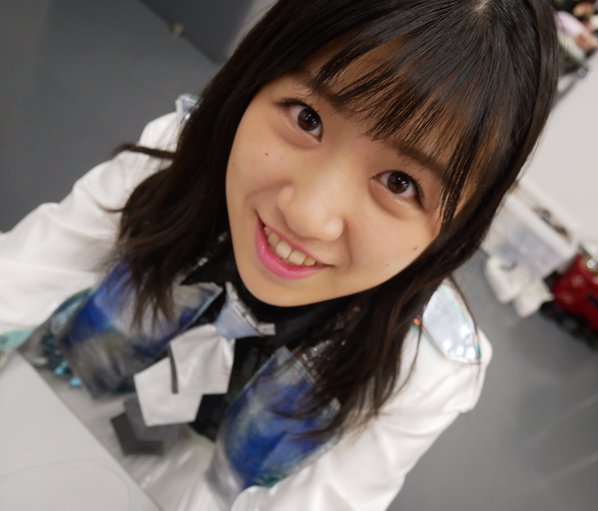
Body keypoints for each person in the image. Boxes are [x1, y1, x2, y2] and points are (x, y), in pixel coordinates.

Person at [0, 0, 559, 509]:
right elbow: (16, 282)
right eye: (306, 118)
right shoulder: (179, 162)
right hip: (65, 395)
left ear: (460, 227)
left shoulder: (423, 368)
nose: (308, 215)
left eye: (399, 183)